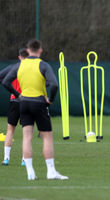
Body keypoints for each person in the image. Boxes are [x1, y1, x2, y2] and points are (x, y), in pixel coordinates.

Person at [3, 39, 68, 180]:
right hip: (39, 102)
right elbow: (55, 85)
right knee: (47, 137)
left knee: (26, 137)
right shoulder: (43, 65)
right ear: (40, 50)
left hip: (23, 102)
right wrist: (50, 99)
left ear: (27, 50)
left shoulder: (20, 65)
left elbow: (6, 81)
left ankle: (30, 173)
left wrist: (17, 94)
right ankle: (51, 171)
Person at [0, 48, 28, 166]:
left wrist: (13, 90)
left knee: (10, 130)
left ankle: (6, 158)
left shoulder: (14, 67)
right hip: (27, 101)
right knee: (26, 132)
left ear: (19, 57)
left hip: (14, 100)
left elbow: (1, 77)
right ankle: (24, 160)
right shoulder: (32, 68)